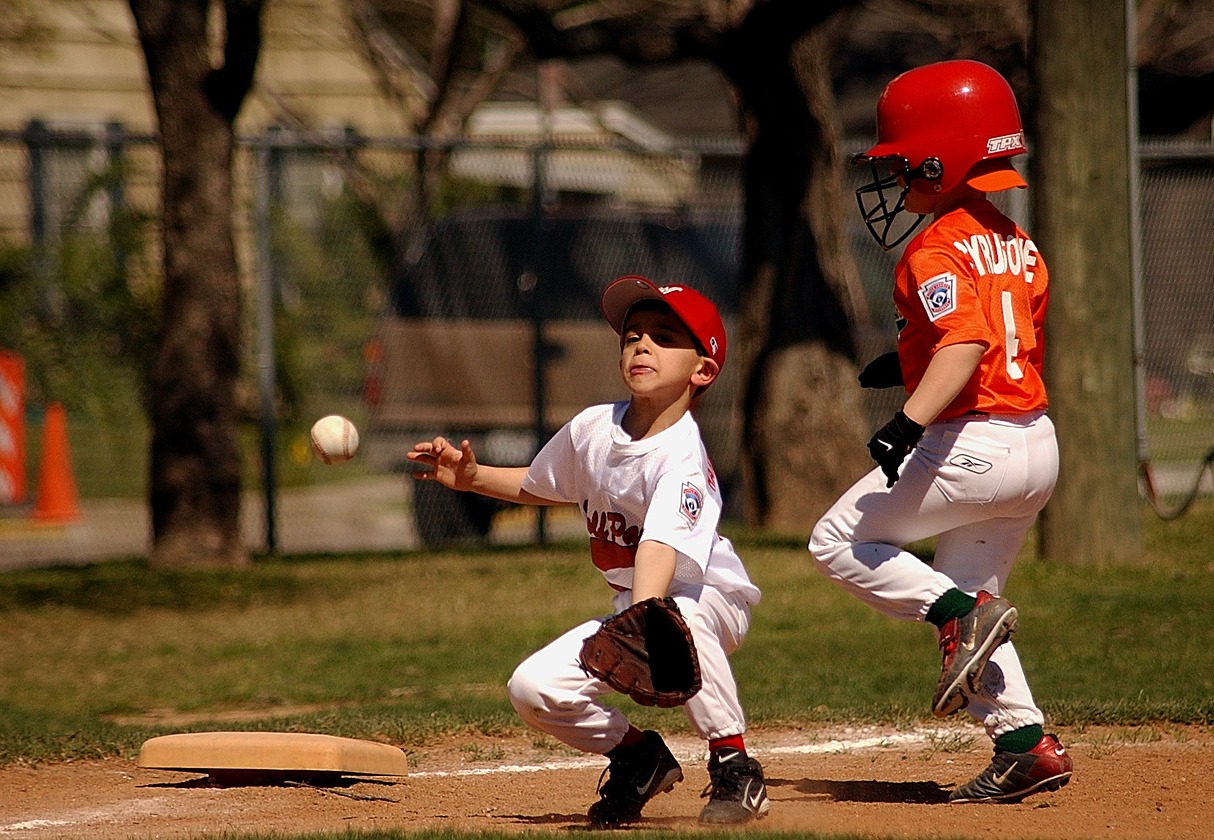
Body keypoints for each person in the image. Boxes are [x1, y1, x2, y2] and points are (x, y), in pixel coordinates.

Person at [407, 275, 769, 826]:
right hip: (637, 608)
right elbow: (540, 483)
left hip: (710, 599)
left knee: (679, 614)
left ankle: (735, 765)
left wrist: (642, 621)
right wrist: (473, 477)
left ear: (703, 370)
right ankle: (639, 758)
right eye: (633, 336)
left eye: (664, 337)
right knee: (533, 688)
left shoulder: (682, 458)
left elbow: (658, 549)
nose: (642, 345)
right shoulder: (594, 428)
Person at [808, 59, 1073, 804]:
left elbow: (965, 343)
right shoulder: (1017, 241)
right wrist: (908, 360)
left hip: (973, 446)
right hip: (1035, 443)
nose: (895, 180)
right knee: (968, 592)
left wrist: (907, 420)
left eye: (903, 164)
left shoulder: (934, 247)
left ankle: (964, 616)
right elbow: (997, 335)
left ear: (941, 161)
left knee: (837, 541)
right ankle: (1024, 745)